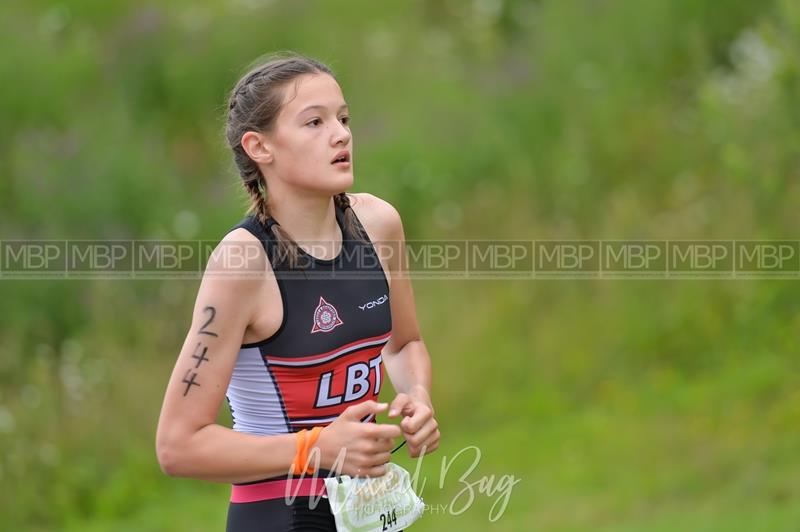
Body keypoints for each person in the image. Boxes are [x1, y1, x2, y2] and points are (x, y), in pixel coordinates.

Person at [155, 52, 440, 531]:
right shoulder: (242, 263)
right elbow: (178, 445)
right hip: (280, 516)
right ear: (259, 147)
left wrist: (418, 395)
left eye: (343, 118)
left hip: (371, 513)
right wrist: (315, 448)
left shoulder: (379, 224)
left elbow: (404, 343)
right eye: (314, 122)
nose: (341, 134)